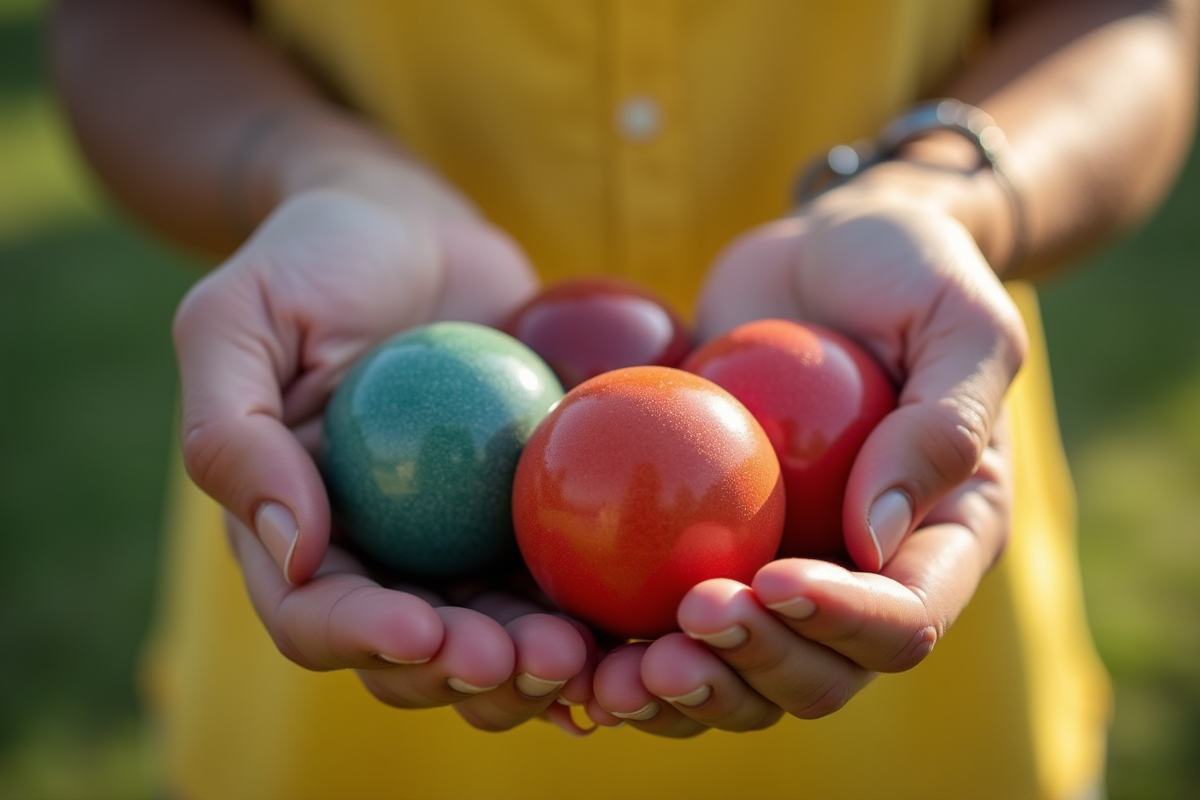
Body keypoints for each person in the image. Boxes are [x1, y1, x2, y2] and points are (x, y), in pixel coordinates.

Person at [50, 0, 1198, 797]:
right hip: (339, 734)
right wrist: (319, 170)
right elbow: (124, 20)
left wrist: (944, 203)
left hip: (907, 689)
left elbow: (1130, 23)